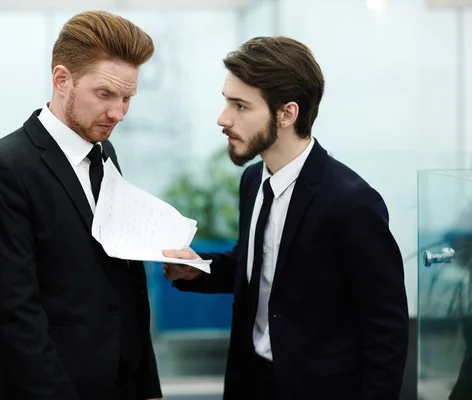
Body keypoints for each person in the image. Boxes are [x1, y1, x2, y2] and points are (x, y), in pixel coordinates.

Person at [163, 36, 409, 400]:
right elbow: (259, 269)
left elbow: (386, 327)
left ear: (287, 113)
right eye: (225, 101)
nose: (223, 118)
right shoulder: (252, 181)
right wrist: (199, 267)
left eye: (241, 106)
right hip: (250, 383)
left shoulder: (352, 202)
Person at [0, 11, 161, 400]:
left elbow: (125, 282)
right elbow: (15, 313)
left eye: (127, 98)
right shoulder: (5, 165)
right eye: (105, 94)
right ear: (62, 80)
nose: (118, 113)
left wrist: (147, 385)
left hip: (121, 382)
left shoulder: (105, 152)